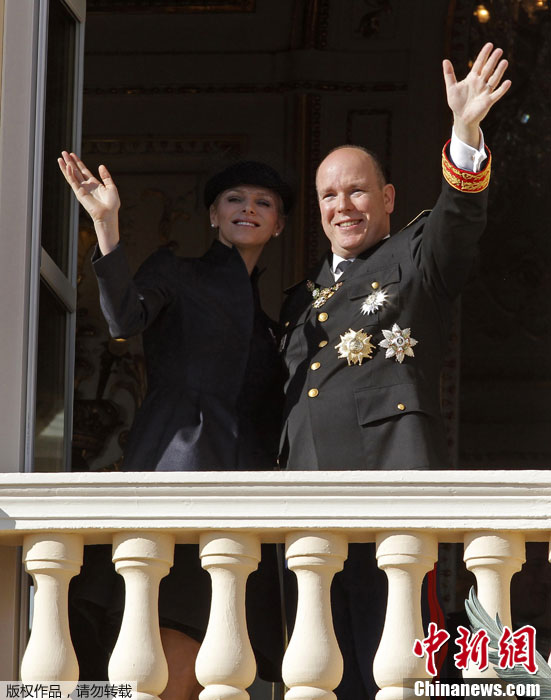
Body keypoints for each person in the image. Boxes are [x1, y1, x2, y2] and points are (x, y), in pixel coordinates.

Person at [278, 43, 511, 698]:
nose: (342, 205)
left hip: (388, 492)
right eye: (329, 195)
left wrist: (464, 131)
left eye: (356, 190)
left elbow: (458, 220)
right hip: (307, 508)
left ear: (385, 198)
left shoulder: (414, 256)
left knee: (400, 661)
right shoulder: (303, 298)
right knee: (323, 672)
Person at [58, 154, 293, 700]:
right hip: (175, 483)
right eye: (234, 199)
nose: (248, 209)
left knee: (218, 663)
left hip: (243, 506)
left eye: (263, 203)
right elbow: (124, 318)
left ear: (279, 224)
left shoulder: (271, 325)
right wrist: (106, 225)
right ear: (213, 214)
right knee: (168, 654)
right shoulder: (176, 271)